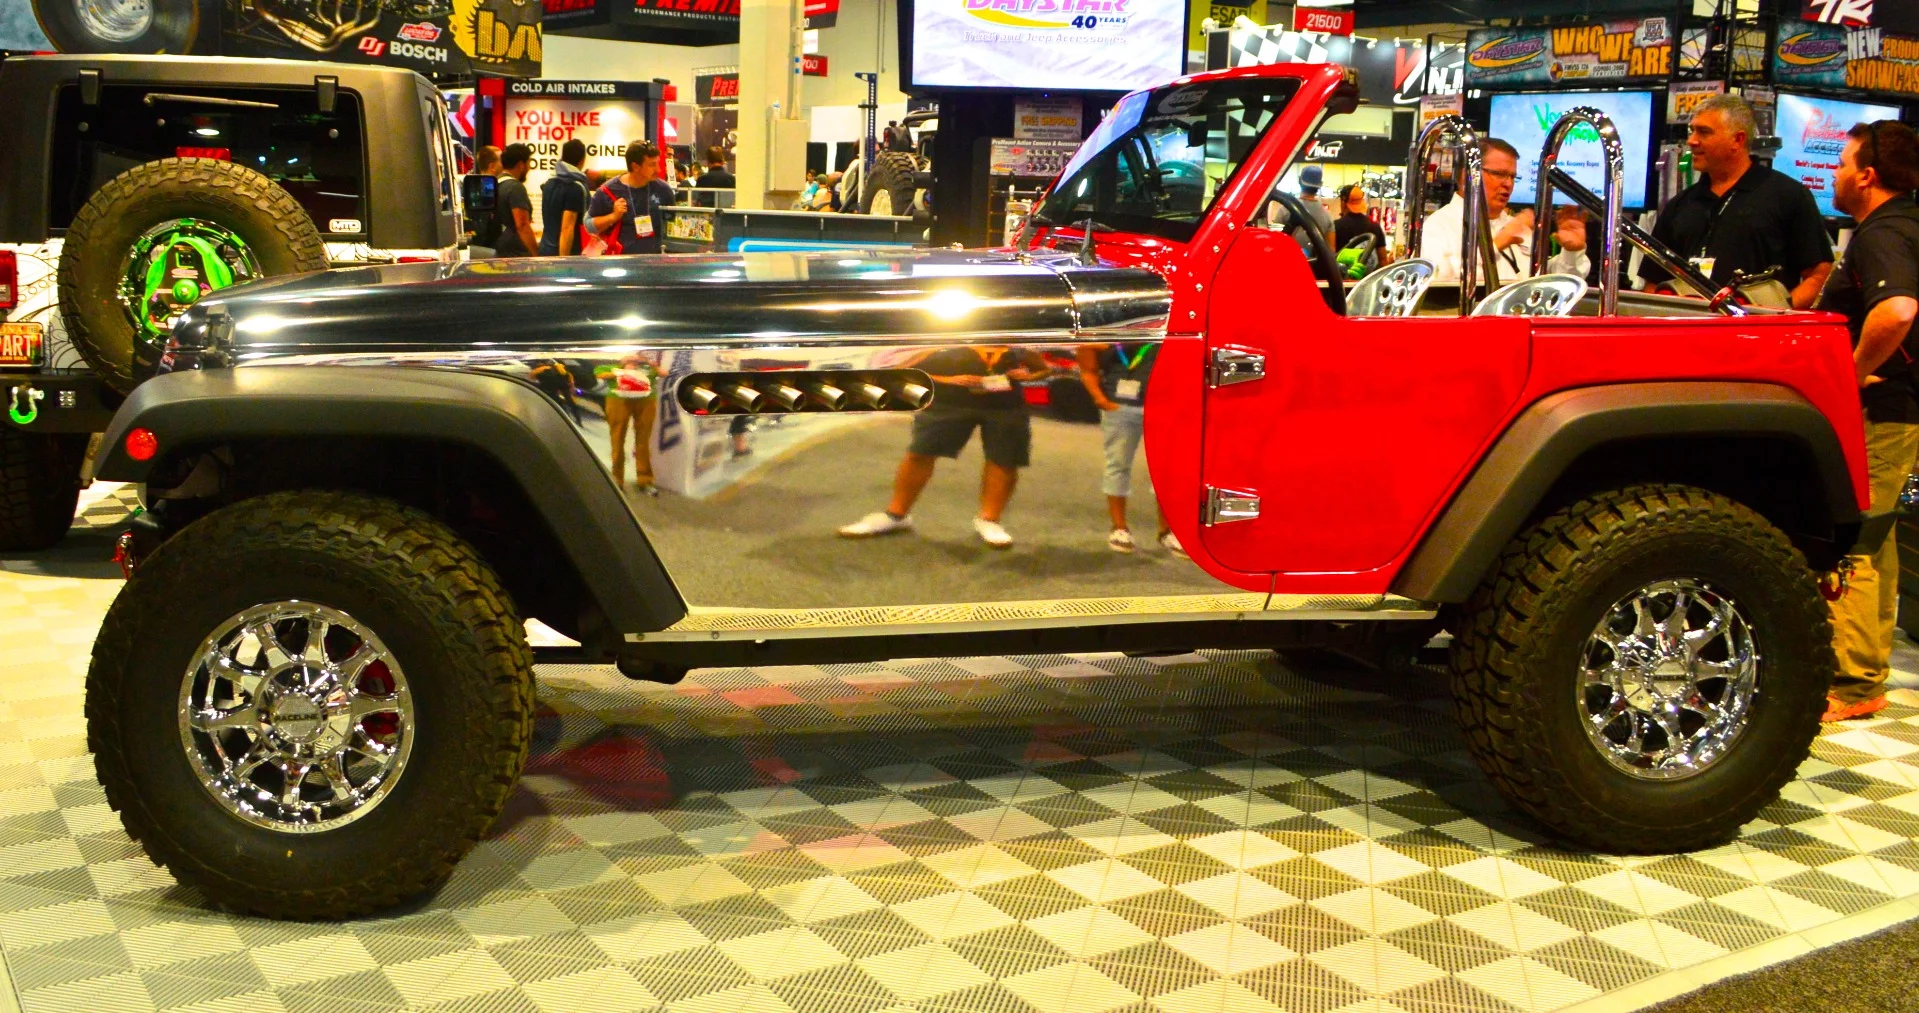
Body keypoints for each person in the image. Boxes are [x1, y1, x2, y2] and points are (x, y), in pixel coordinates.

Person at [1816, 120, 1919, 722]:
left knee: (1854, 541)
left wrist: (1849, 374)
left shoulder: (1883, 232)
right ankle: (1867, 673)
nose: (1834, 174)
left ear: (1867, 174)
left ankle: (1852, 683)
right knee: (1876, 543)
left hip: (1881, 413)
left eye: (1841, 162)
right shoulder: (1905, 223)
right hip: (1899, 411)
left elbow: (1898, 310)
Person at [839, 346, 1049, 549]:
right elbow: (903, 371)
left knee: (1004, 459)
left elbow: (1043, 368)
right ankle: (895, 515)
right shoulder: (945, 337)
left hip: (1006, 407)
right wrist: (949, 380)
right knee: (920, 453)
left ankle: (990, 521)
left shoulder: (1015, 341)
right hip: (946, 404)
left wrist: (1029, 376)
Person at [1640, 94, 1833, 308]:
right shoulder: (1679, 205)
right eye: (1691, 130)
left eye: (1704, 132)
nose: (1691, 141)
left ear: (1738, 140)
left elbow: (1818, 274)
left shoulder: (1788, 196)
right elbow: (1653, 282)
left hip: (1758, 335)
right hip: (1689, 333)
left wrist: (1775, 318)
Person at [1422, 137, 1589, 286]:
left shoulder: (1514, 225)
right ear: (1468, 176)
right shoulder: (1438, 226)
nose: (1508, 184)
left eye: (1512, 177)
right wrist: (1495, 245)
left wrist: (1572, 252)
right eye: (1500, 174)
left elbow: (1545, 284)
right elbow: (1435, 281)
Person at [1077, 342, 1184, 557]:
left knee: (1167, 470)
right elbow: (1088, 371)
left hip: (1161, 406)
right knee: (1118, 465)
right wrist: (1101, 400)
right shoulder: (1101, 333)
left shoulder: (1161, 330)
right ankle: (1119, 528)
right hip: (1119, 408)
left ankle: (1167, 531)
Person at [589, 141, 676, 255]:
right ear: (635, 166)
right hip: (619, 262)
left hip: (655, 262)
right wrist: (613, 216)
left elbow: (672, 222)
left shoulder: (663, 189)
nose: (658, 170)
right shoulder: (608, 191)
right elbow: (589, 226)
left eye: (658, 163)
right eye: (652, 165)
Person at [601, 351, 661, 496]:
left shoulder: (647, 367)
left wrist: (646, 362)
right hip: (618, 400)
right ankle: (617, 480)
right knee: (617, 439)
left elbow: (662, 373)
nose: (634, 357)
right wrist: (623, 368)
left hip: (646, 401)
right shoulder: (610, 366)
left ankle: (645, 480)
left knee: (643, 441)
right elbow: (600, 375)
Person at [538, 138, 590, 257]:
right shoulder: (575, 187)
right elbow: (567, 228)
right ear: (582, 160)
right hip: (566, 253)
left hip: (545, 249)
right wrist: (564, 261)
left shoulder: (549, 183)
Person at [489, 143, 537, 258]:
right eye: (529, 163)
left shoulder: (496, 183)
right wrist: (535, 253)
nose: (529, 168)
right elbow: (522, 225)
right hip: (515, 255)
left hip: (498, 249)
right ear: (521, 165)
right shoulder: (515, 187)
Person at [1282, 165, 1335, 257]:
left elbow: (1275, 240)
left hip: (1289, 263)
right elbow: (1331, 250)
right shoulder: (1327, 215)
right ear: (1320, 185)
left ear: (1299, 181)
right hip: (1313, 269)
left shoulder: (1286, 209)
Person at [1332, 184, 1391, 265]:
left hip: (1344, 276)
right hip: (1370, 277)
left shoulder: (1335, 226)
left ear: (1343, 202)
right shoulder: (1375, 226)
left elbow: (1331, 258)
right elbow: (1383, 259)